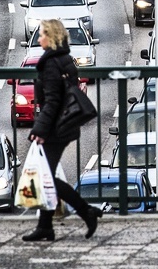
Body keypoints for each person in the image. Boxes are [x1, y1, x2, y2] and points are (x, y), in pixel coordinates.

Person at [22, 19, 102, 242]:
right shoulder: (65, 59)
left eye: (41, 35)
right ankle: (45, 226)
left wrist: (39, 130)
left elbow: (52, 102)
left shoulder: (50, 63)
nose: (38, 39)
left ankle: (85, 211)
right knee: (48, 175)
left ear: (51, 37)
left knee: (47, 177)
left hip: (55, 128)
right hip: (65, 125)